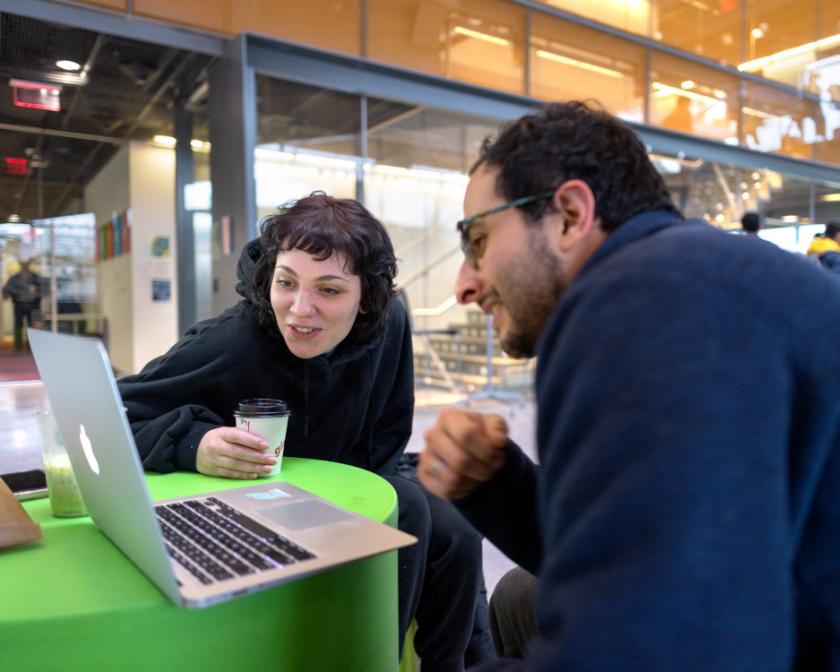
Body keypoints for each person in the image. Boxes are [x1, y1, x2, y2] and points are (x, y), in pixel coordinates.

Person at [418, 101, 840, 670]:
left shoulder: (642, 301)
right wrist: (500, 485)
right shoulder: (688, 277)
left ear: (569, 215)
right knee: (520, 597)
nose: (465, 284)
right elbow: (651, 546)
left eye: (477, 239)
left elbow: (664, 649)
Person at [117, 192, 489, 672]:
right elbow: (118, 413)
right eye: (286, 282)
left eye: (330, 290)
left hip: (357, 475)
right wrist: (195, 445)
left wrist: (355, 500)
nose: (299, 309)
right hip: (253, 498)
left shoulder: (390, 323)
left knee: (459, 535)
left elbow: (389, 428)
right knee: (412, 511)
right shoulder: (233, 342)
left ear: (368, 297)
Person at [2, 257, 42, 352]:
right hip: (18, 304)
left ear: (30, 263)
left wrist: (38, 293)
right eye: (23, 262)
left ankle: (33, 347)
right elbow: (6, 291)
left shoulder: (36, 277)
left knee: (34, 326)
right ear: (20, 263)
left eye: (27, 262)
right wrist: (6, 295)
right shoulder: (14, 278)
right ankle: (18, 347)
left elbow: (44, 289)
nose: (25, 264)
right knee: (18, 325)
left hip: (34, 305)